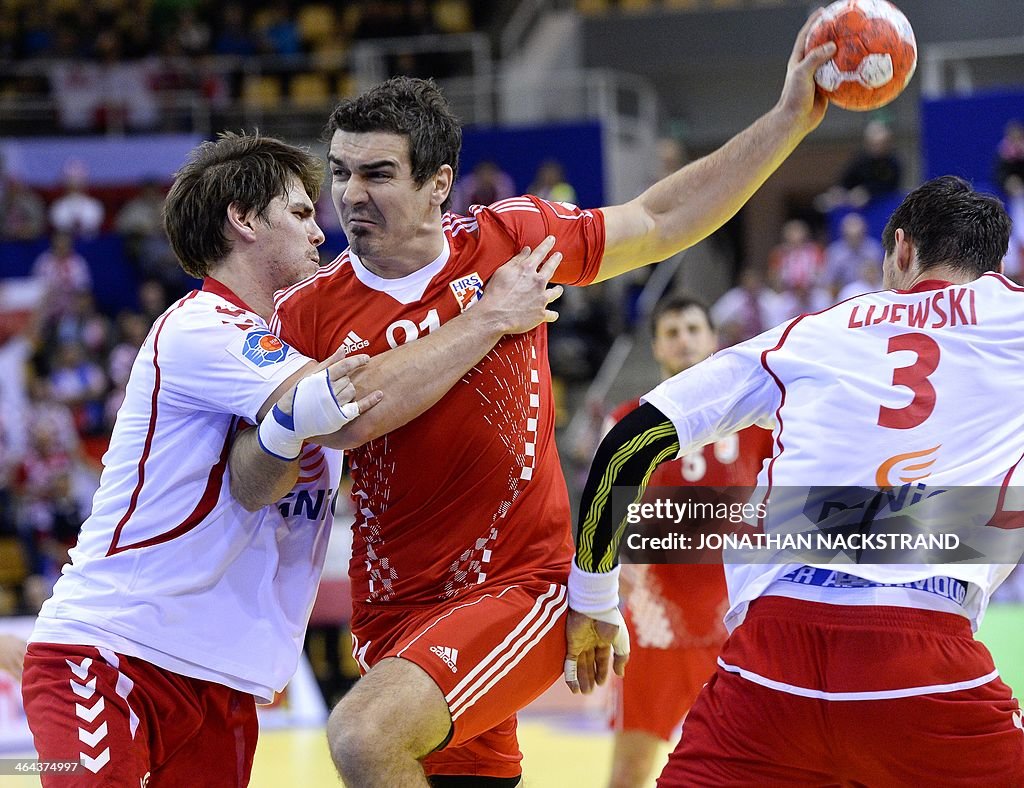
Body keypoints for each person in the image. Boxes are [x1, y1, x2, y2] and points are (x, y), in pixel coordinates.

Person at [236, 14, 837, 786]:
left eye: (378, 173)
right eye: (341, 171)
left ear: (438, 182)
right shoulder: (308, 310)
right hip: (394, 608)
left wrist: (787, 118)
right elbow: (277, 463)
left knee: (361, 737)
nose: (351, 193)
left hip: (520, 585)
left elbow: (659, 220)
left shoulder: (511, 238)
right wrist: (485, 319)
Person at [19, 131, 564, 786]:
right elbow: (354, 401)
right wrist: (487, 316)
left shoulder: (298, 349)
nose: (320, 233)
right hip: (113, 654)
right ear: (243, 220)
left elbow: (319, 425)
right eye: (301, 213)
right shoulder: (201, 327)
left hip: (223, 680)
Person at [566, 176, 1024, 784]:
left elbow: (625, 446)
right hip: (924, 656)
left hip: (768, 664)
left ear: (903, 251)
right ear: (995, 263)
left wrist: (593, 599)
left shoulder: (812, 333)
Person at [603, 295, 771, 788]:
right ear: (656, 344)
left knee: (752, 768)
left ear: (712, 339)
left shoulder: (754, 417)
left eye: (693, 328)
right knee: (631, 771)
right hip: (658, 630)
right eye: (672, 331)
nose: (684, 339)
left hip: (736, 625)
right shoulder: (628, 421)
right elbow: (610, 518)